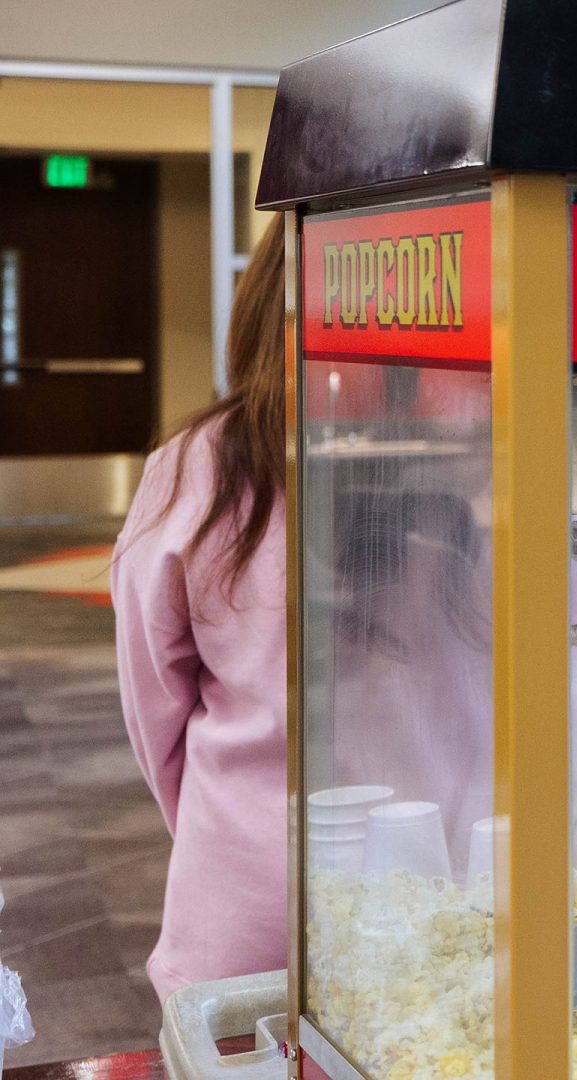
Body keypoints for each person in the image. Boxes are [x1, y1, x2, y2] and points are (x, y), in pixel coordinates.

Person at [111, 216, 289, 1001]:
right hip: (449, 873)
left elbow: (154, 701)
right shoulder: (207, 466)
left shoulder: (198, 465)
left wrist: (227, 829)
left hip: (247, 886)